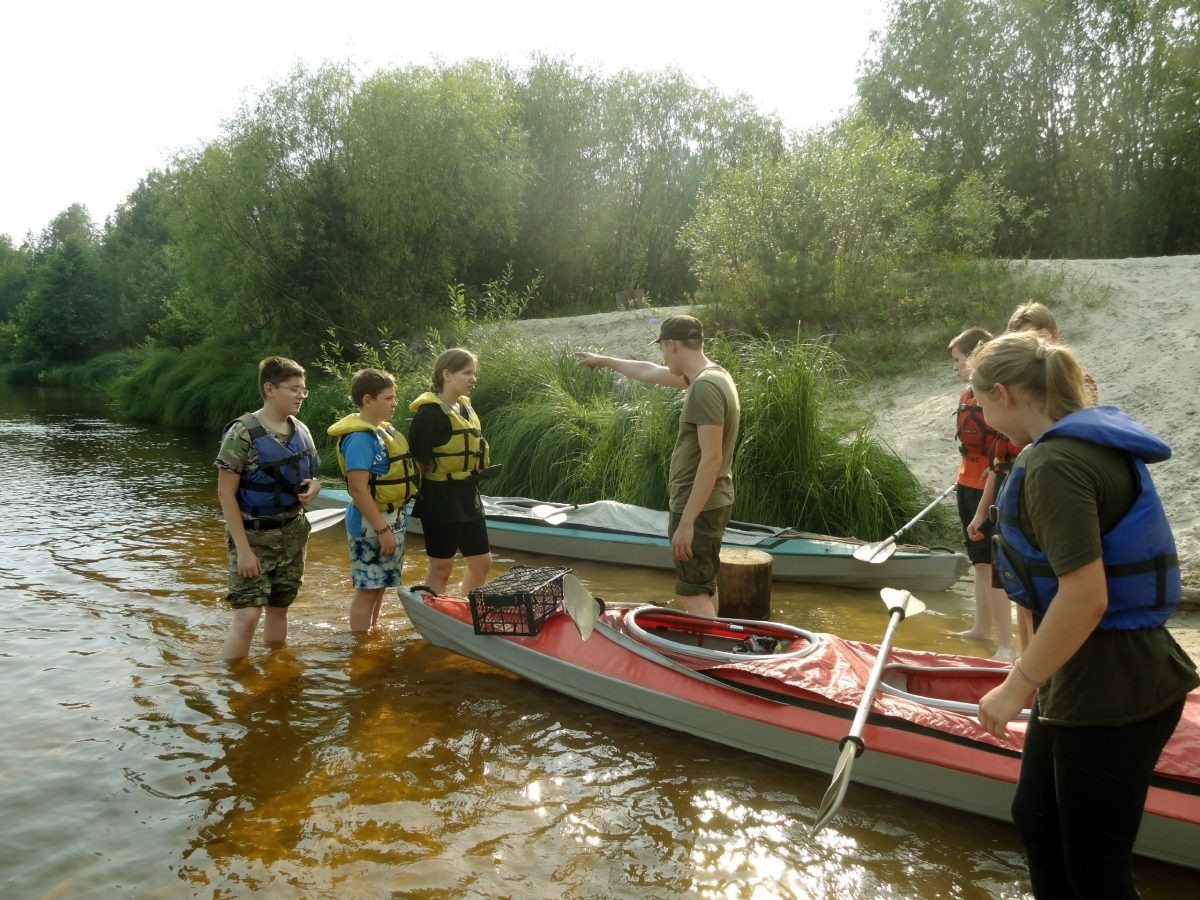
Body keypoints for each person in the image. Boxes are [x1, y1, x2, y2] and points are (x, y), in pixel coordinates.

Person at [971, 331, 1198, 899]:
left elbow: (1085, 595)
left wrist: (1016, 685)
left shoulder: (1056, 464)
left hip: (1113, 686)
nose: (986, 419)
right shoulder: (1082, 446)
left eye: (983, 406)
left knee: (1095, 868)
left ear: (1003, 393)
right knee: (1038, 819)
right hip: (1091, 673)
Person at [577, 315, 740, 618]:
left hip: (697, 506)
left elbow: (712, 457)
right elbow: (651, 373)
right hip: (710, 501)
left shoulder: (704, 387)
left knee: (693, 595)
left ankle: (704, 662)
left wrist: (687, 522)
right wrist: (605, 360)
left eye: (662, 349)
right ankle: (716, 645)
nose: (662, 357)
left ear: (672, 344)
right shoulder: (713, 376)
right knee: (701, 585)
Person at [216, 356, 321, 660]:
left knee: (279, 609)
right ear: (270, 389)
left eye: (304, 390)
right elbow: (225, 494)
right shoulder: (242, 434)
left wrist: (315, 487)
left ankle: (274, 676)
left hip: (292, 532)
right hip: (253, 536)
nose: (301, 395)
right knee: (248, 616)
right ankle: (231, 688)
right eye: (294, 389)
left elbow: (311, 476)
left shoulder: (300, 428)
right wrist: (244, 551)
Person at [327, 368, 421, 633]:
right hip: (371, 525)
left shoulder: (382, 432)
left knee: (379, 587)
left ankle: (372, 634)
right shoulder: (359, 439)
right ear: (368, 400)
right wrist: (382, 530)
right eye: (388, 398)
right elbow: (357, 489)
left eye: (394, 397)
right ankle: (359, 648)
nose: (394, 404)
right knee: (367, 590)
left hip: (391, 519)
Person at [947, 327, 1015, 660]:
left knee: (991, 565)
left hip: (988, 490)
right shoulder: (965, 396)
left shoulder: (997, 396)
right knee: (979, 562)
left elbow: (1008, 443)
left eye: (959, 360)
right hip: (966, 483)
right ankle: (981, 628)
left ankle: (1006, 643)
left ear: (976, 356)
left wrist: (995, 470)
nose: (956, 367)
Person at [407, 348, 493, 596]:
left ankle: (465, 610)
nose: (472, 379)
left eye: (473, 373)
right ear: (446, 374)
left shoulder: (465, 407)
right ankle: (434, 614)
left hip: (467, 493)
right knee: (442, 567)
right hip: (438, 498)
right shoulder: (429, 414)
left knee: (481, 562)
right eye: (466, 373)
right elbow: (418, 464)